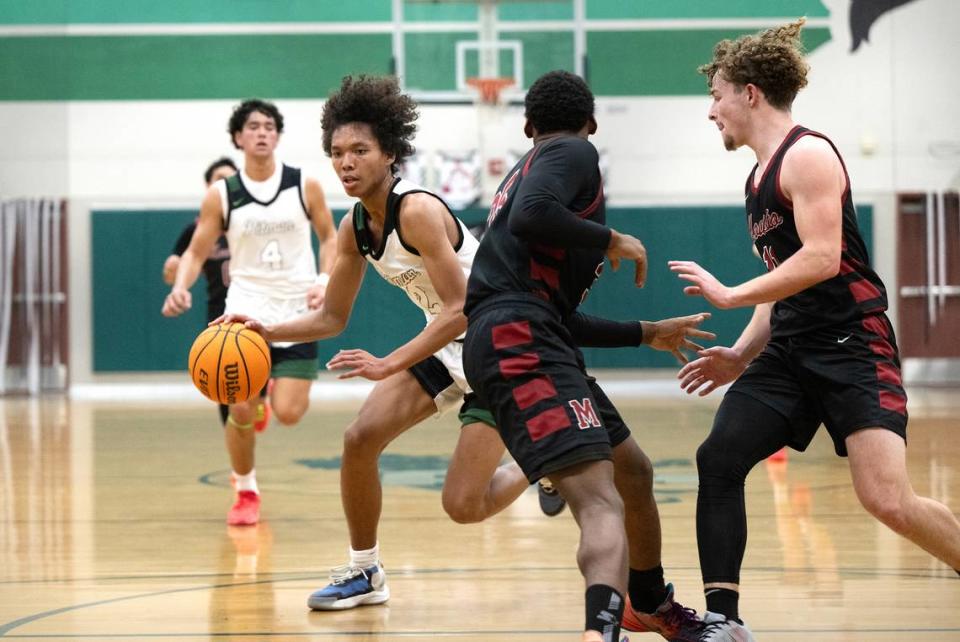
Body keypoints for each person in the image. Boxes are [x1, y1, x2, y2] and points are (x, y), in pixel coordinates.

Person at [218, 77, 712, 633]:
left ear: (390, 154)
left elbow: (461, 307)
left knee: (465, 504)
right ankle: (366, 572)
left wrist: (388, 362)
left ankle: (541, 462)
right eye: (336, 154)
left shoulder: (419, 211)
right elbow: (331, 317)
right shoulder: (354, 227)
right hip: (452, 340)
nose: (346, 163)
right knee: (360, 439)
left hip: (490, 347)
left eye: (359, 151)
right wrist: (264, 330)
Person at [670, 19, 960, 640]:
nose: (710, 112)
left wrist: (728, 293)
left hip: (853, 343)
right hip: (790, 352)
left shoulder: (808, 154)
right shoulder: (756, 178)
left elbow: (822, 258)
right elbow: (784, 281)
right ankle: (725, 622)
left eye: (716, 96)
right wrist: (741, 355)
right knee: (719, 457)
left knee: (887, 500)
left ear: (750, 93)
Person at [461, 70, 705, 642]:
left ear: (527, 126)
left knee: (635, 472)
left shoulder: (527, 173)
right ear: (591, 125)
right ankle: (602, 631)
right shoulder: (572, 151)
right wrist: (611, 239)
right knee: (599, 502)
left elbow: (560, 316)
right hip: (520, 338)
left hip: (533, 334)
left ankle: (646, 602)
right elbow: (533, 214)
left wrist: (648, 332)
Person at [162, 99, 337, 527]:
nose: (262, 132)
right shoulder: (222, 194)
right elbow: (196, 250)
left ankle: (267, 396)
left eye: (269, 126)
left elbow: (330, 238)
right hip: (243, 311)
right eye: (253, 127)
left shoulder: (304, 184)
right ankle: (245, 490)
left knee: (291, 413)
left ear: (277, 136)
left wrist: (323, 281)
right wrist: (180, 288)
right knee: (239, 410)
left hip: (296, 309)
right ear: (238, 138)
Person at [161, 157, 271, 429]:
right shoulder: (196, 230)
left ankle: (263, 396)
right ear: (208, 186)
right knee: (225, 383)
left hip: (258, 307)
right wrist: (174, 276)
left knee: (254, 378)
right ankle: (239, 452)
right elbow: (177, 269)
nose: (224, 184)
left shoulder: (254, 222)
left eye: (230, 180)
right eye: (218, 179)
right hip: (219, 314)